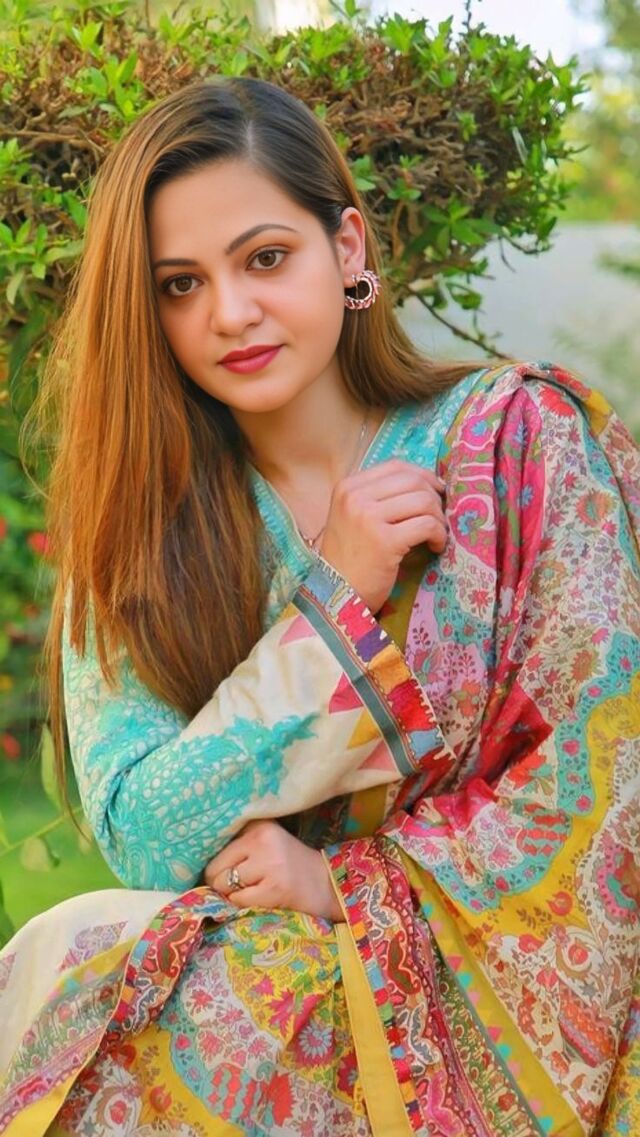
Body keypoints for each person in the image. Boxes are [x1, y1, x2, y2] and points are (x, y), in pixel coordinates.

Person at [0, 76, 638, 1137]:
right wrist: (329, 608)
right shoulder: (139, 537)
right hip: (275, 999)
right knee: (81, 957)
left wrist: (347, 883)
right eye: (179, 285)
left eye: (264, 258)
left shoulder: (517, 442)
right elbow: (145, 832)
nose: (229, 313)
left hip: (509, 994)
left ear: (346, 249)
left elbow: (609, 771)